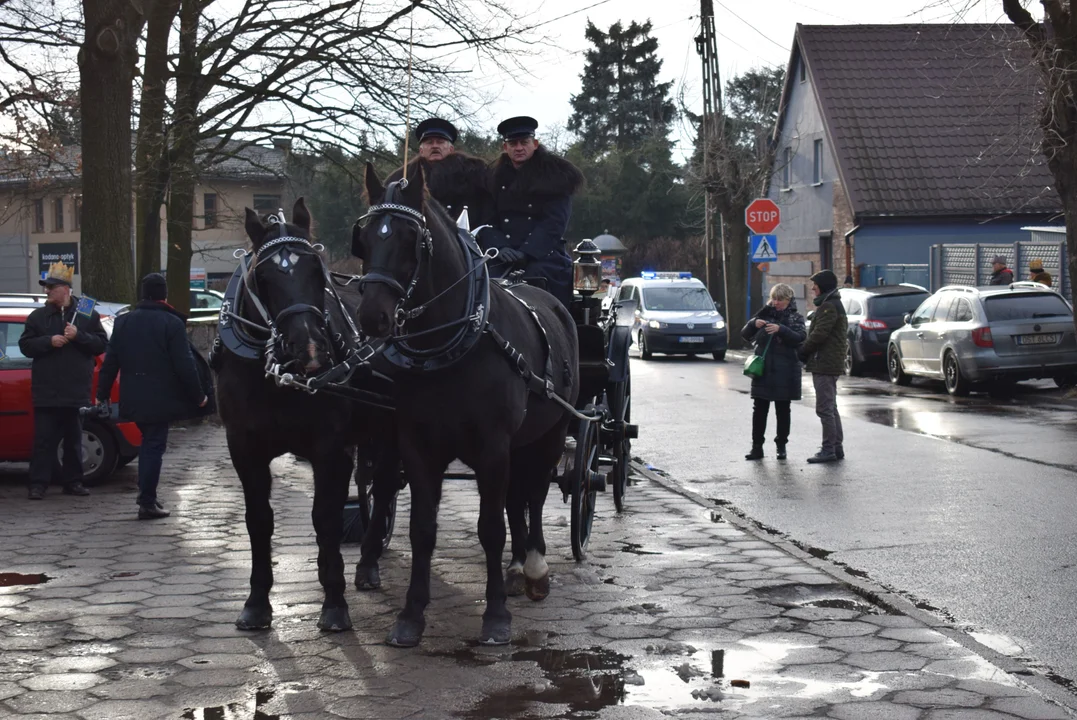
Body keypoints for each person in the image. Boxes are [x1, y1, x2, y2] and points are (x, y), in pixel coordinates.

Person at [97, 273, 209, 520]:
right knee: (152, 446)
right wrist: (198, 395)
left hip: (132, 397)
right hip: (160, 399)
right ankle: (147, 500)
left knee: (148, 442)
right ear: (164, 295)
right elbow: (185, 364)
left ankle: (147, 496)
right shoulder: (171, 323)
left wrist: (102, 394)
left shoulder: (124, 322)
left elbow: (110, 362)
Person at [18, 262, 107, 499]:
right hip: (46, 390)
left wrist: (79, 336)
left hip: (75, 390)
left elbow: (101, 344)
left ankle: (73, 482)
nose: (46, 291)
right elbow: (25, 346)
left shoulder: (87, 312)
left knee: (73, 440)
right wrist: (48, 342)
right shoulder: (37, 317)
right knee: (43, 441)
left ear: (65, 289)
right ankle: (38, 484)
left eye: (51, 287)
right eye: (46, 287)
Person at [478, 115, 584, 307]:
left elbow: (554, 222)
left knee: (538, 285)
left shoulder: (556, 176)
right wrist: (500, 246)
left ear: (535, 144)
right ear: (505, 148)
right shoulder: (493, 178)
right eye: (513, 143)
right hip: (503, 255)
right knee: (477, 283)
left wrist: (527, 252)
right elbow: (487, 220)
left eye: (524, 142)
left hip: (543, 255)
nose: (519, 148)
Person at [385, 117, 494, 226]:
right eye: (429, 142)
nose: (435, 146)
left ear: (451, 149)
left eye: (440, 142)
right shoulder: (404, 177)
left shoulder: (473, 173)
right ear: (421, 151)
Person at [741, 283, 806, 461]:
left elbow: (800, 338)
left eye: (780, 299)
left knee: (783, 410)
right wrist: (754, 323)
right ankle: (757, 447)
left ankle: (781, 446)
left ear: (788, 300)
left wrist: (781, 330)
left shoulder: (795, 317)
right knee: (759, 410)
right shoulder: (764, 314)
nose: (776, 302)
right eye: (774, 299)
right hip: (763, 369)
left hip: (785, 370)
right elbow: (745, 334)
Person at [798, 269, 848, 464]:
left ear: (824, 287)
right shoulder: (832, 303)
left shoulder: (829, 306)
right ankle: (836, 447)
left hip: (825, 362)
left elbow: (819, 334)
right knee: (831, 407)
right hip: (828, 361)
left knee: (824, 408)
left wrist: (803, 350)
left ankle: (828, 449)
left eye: (815, 286)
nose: (812, 289)